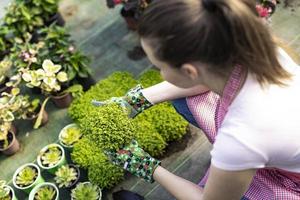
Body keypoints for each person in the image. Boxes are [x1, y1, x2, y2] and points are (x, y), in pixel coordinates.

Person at [94, 0, 300, 199]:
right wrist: (136, 100)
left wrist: (145, 165)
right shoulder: (258, 49)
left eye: (161, 67)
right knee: (182, 98)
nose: (161, 73)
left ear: (189, 70)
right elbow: (205, 78)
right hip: (276, 144)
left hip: (291, 181)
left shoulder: (241, 137)